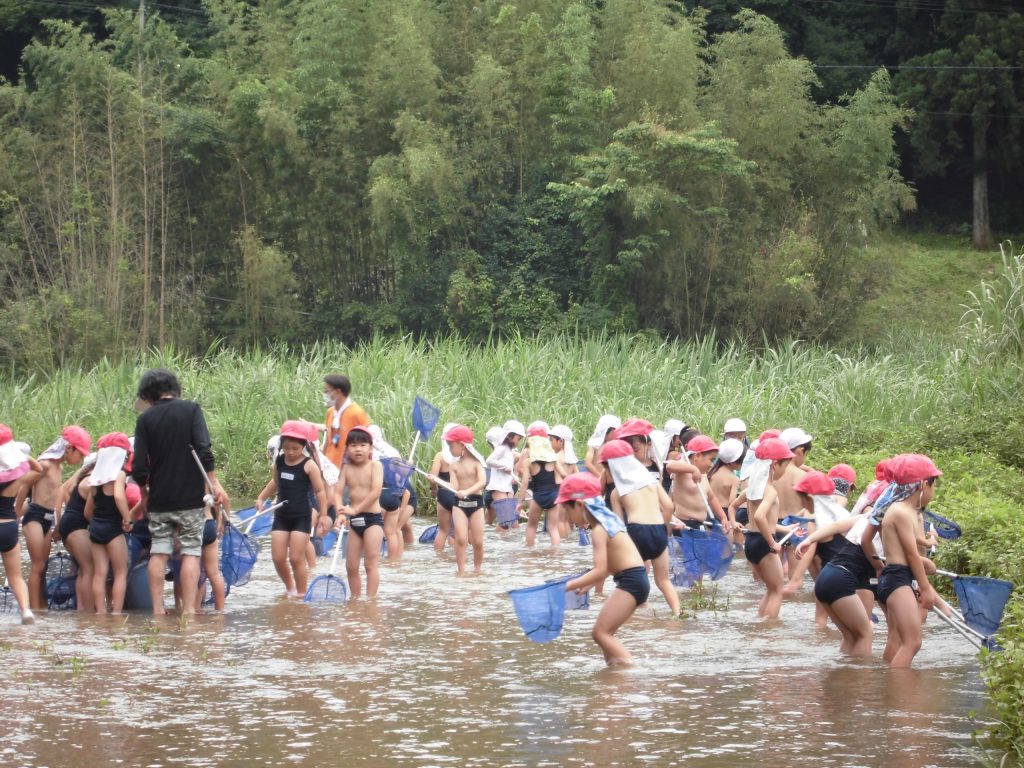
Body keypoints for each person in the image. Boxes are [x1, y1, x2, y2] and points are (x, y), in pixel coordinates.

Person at [132, 368, 229, 616]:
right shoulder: (191, 410)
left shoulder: (145, 420)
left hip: (160, 499)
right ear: (175, 389)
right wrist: (213, 483)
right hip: (190, 498)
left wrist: (144, 494)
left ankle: (157, 610)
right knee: (190, 554)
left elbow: (140, 466)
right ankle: (188, 612)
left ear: (148, 394)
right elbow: (204, 449)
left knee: (159, 552)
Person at [560, 473, 649, 666]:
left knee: (600, 633)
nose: (566, 516)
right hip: (635, 579)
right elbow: (613, 564)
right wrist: (589, 583)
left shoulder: (599, 531)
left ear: (581, 505)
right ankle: (613, 675)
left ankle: (632, 673)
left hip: (631, 582)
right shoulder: (608, 524)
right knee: (605, 634)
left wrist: (566, 586)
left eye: (567, 509)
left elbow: (600, 570)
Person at [864, 454, 941, 668]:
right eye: (934, 486)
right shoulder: (902, 512)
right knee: (912, 642)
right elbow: (911, 554)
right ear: (924, 485)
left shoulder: (901, 510)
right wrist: (925, 589)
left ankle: (887, 685)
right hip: (897, 579)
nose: (934, 492)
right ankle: (898, 696)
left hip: (896, 578)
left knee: (898, 639)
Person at [601, 439, 680, 617]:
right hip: (658, 529)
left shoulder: (616, 492)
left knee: (634, 577)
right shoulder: (651, 482)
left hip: (636, 531)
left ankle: (640, 613)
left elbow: (619, 526)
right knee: (663, 580)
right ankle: (677, 613)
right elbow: (668, 506)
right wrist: (665, 528)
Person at [20, 426, 92, 609]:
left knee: (42, 567)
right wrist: (16, 512)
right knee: (37, 566)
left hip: (47, 519)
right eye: (80, 454)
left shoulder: (58, 467)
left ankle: (42, 607)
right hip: (34, 517)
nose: (81, 459)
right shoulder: (44, 464)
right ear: (69, 448)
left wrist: (57, 525)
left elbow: (57, 496)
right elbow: (23, 485)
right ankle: (33, 609)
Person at [256, 421, 328, 598]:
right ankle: (290, 587)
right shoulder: (279, 462)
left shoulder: (309, 465)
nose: (290, 452)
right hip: (282, 515)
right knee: (278, 558)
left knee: (296, 558)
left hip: (301, 516)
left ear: (303, 446)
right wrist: (261, 497)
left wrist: (324, 515)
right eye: (287, 448)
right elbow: (275, 482)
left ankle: (302, 594)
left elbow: (320, 491)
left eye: (295, 448)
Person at [745, 438, 802, 619]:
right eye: (786, 464)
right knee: (777, 589)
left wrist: (785, 529)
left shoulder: (754, 487)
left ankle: (761, 625)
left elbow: (762, 521)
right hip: (764, 543)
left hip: (752, 541)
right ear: (775, 464)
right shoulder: (769, 490)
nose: (786, 469)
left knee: (770, 589)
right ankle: (769, 629)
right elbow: (759, 517)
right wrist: (772, 542)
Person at [84, 433, 134, 614]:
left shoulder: (95, 477)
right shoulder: (118, 475)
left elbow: (87, 511)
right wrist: (127, 519)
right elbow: (119, 496)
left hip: (96, 528)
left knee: (100, 573)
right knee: (121, 572)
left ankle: (100, 613)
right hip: (113, 529)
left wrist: (96, 524)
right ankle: (117, 613)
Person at [335, 427, 384, 598]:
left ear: (371, 448)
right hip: (354, 522)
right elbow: (338, 492)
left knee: (370, 563)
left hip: (372, 520)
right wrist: (340, 512)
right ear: (347, 448)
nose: (358, 449)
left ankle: (371, 601)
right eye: (354, 445)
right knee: (351, 565)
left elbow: (376, 491)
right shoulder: (346, 469)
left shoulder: (375, 466)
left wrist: (355, 509)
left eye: (363, 445)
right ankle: (355, 600)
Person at [0, 426, 41, 624]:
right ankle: (26, 610)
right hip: (8, 527)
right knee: (16, 576)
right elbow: (38, 470)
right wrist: (18, 454)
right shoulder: (16, 477)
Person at [438, 424, 487, 576]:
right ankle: (461, 571)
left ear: (461, 445)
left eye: (451, 445)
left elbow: (482, 482)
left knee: (477, 541)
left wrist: (467, 491)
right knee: (461, 539)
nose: (450, 449)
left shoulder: (477, 463)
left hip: (476, 503)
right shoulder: (454, 466)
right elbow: (454, 486)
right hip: (459, 505)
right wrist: (437, 480)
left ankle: (478, 570)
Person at [55, 455, 97, 612]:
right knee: (89, 569)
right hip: (76, 527)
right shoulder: (91, 480)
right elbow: (88, 513)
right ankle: (88, 610)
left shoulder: (83, 478)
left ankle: (81, 609)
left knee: (83, 569)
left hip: (69, 525)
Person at [518, 423, 566, 548]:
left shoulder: (529, 462)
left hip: (539, 496)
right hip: (553, 495)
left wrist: (519, 502)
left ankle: (530, 553)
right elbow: (564, 475)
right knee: (553, 528)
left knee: (531, 526)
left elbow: (524, 483)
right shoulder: (553, 459)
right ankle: (556, 554)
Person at [322, 373, 371, 470]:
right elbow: (328, 438)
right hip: (330, 465)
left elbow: (369, 439)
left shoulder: (356, 413)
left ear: (337, 392)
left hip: (348, 468)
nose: (325, 395)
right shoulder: (330, 412)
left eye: (326, 391)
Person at [485, 421, 523, 529]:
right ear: (510, 437)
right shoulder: (501, 448)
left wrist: (514, 478)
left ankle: (514, 543)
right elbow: (489, 460)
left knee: (514, 523)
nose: (519, 441)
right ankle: (497, 545)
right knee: (505, 522)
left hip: (506, 488)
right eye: (518, 438)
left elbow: (509, 473)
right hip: (498, 488)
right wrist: (504, 467)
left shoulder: (509, 451)